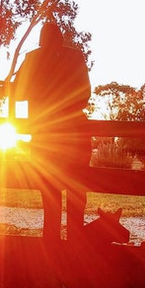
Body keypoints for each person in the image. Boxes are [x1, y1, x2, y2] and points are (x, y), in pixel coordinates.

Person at [13, 22, 91, 244]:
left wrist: (27, 115)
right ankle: (75, 241)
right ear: (61, 38)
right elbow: (85, 93)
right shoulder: (74, 58)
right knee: (75, 190)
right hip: (74, 130)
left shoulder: (32, 59)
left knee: (50, 192)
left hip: (45, 132)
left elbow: (17, 92)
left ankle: (52, 240)